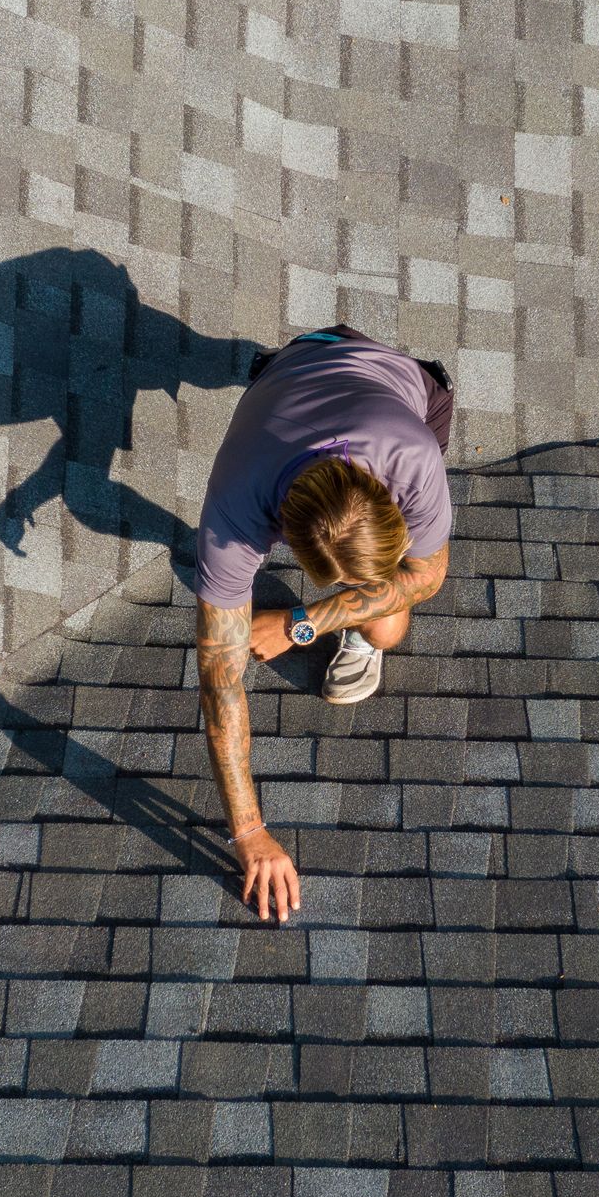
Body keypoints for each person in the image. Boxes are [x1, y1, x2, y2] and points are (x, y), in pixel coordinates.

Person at [194, 324, 454, 923]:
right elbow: (219, 681)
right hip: (294, 378)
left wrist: (299, 624)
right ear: (283, 534)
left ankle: (307, 362)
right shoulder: (234, 509)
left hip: (397, 384)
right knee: (384, 618)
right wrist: (249, 833)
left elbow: (426, 577)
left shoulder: (412, 458)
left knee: (386, 627)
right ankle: (287, 363)